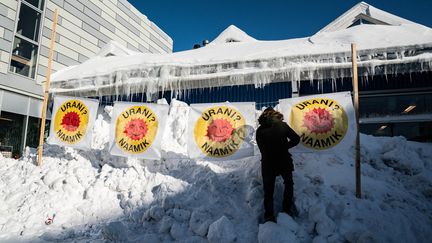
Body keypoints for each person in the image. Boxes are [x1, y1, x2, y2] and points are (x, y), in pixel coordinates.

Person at [256, 107, 300, 223]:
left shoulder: (260, 130)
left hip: (267, 163)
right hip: (283, 160)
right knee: (288, 183)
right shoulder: (282, 125)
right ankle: (286, 209)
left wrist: (268, 153)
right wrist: (285, 147)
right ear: (275, 114)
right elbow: (296, 139)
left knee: (268, 191)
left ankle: (269, 215)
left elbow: (261, 148)